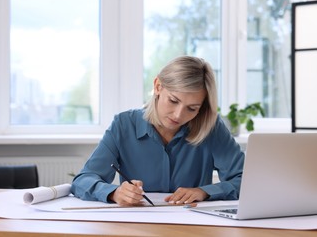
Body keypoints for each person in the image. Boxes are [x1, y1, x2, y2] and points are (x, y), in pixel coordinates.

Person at [71, 55, 244, 206]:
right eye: (173, 100)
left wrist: (204, 192)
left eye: (192, 108)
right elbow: (83, 181)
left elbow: (246, 181)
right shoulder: (124, 125)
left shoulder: (211, 127)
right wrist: (114, 193)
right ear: (158, 86)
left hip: (192, 227)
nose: (178, 115)